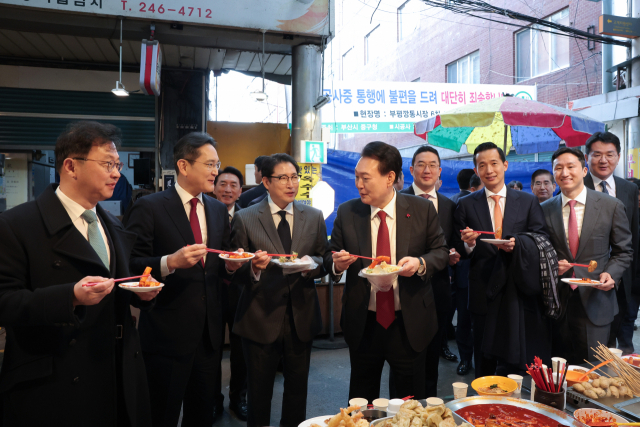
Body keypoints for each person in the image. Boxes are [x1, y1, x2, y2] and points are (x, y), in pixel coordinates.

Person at [0, 121, 159, 426]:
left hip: (118, 366)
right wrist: (69, 296)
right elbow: (4, 301)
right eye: (108, 164)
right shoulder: (17, 224)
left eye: (118, 164)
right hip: (57, 378)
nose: (117, 173)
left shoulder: (112, 224)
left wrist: (143, 292)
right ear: (71, 166)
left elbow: (119, 286)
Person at [124, 132, 246, 427]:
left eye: (217, 164)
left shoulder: (217, 210)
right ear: (183, 165)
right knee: (161, 414)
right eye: (210, 164)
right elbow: (130, 265)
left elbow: (219, 261)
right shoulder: (150, 207)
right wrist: (169, 263)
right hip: (166, 333)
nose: (216, 172)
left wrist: (232, 264)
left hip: (208, 334)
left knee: (202, 414)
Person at [327, 141, 449, 402]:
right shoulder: (348, 212)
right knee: (361, 398)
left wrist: (419, 263)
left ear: (389, 178)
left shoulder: (421, 209)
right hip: (364, 321)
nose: (358, 184)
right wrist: (337, 264)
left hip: (409, 321)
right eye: (356, 177)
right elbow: (330, 255)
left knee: (407, 401)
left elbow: (440, 252)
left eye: (365, 178)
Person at [230, 153, 328, 427]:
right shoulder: (246, 217)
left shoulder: (313, 216)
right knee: (259, 394)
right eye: (282, 178)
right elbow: (233, 269)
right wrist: (254, 268)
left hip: (302, 316)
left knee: (298, 392)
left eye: (294, 177)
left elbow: (323, 258)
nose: (291, 183)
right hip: (259, 318)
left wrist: (312, 264)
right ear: (266, 182)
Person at [453, 142, 548, 378]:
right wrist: (470, 243)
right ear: (476, 170)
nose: (489, 170)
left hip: (517, 289)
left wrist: (519, 244)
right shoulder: (466, 204)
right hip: (483, 289)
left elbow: (541, 238)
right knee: (484, 361)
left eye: (494, 163)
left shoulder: (526, 201)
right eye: (482, 165)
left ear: (505, 165)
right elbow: (459, 247)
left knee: (517, 360)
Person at [541, 147, 633, 363]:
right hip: (557, 301)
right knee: (558, 369)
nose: (564, 173)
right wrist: (553, 264)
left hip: (596, 299)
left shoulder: (611, 206)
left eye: (570, 166)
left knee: (595, 369)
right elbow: (540, 249)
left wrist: (611, 274)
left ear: (583, 170)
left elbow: (623, 251)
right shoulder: (544, 209)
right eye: (558, 168)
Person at [400, 146, 459, 397]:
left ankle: (428, 410)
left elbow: (454, 246)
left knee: (432, 359)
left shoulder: (449, 205)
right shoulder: (397, 200)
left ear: (439, 171)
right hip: (405, 291)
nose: (427, 170)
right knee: (403, 359)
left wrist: (459, 251)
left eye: (432, 164)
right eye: (421, 164)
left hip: (438, 291)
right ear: (411, 169)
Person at [583, 132, 640, 355]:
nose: (603, 160)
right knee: (592, 343)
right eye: (597, 154)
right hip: (588, 276)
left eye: (609, 154)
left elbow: (633, 237)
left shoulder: (629, 189)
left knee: (619, 340)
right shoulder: (577, 187)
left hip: (623, 281)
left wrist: (633, 280)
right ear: (587, 158)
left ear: (618, 157)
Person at [212, 166, 248, 420]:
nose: (227, 189)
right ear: (214, 188)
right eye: (222, 183)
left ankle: (239, 399)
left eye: (233, 185)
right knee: (211, 349)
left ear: (240, 191)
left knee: (241, 352)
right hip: (212, 291)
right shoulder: (206, 215)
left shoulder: (248, 217)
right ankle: (213, 400)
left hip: (241, 292)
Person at [449, 169, 477, 376]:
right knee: (464, 320)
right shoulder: (459, 204)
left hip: (491, 274)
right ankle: (465, 359)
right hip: (464, 272)